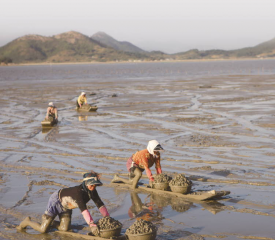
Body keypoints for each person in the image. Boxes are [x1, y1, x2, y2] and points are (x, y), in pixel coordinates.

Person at [17, 171, 110, 236]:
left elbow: (99, 203)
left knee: (64, 228)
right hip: (56, 200)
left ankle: (51, 222)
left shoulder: (92, 192)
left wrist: (107, 217)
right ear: (86, 183)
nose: (93, 187)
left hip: (67, 206)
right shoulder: (78, 192)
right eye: (91, 185)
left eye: (95, 185)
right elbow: (83, 209)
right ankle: (27, 222)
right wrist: (92, 224)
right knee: (43, 230)